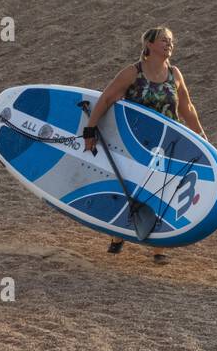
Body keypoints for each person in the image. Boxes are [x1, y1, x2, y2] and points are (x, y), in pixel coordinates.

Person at [81, 26, 207, 264]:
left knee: (163, 190)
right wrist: (90, 129)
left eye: (171, 40)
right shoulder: (133, 73)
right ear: (149, 45)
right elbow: (107, 98)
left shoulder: (175, 74)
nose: (169, 44)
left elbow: (186, 108)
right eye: (163, 40)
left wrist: (200, 134)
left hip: (168, 143)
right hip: (136, 143)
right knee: (131, 188)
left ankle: (158, 249)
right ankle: (118, 234)